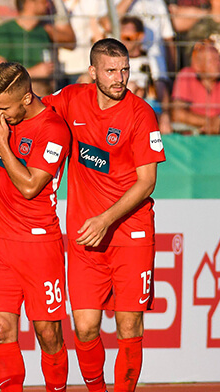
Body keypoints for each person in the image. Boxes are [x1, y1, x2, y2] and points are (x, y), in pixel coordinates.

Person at [42, 38, 166, 392]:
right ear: (92, 71)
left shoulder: (141, 113)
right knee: (84, 328)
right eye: (111, 71)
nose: (120, 78)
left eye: (124, 70)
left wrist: (105, 219)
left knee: (129, 328)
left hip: (131, 234)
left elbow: (147, 183)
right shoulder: (71, 99)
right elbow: (30, 110)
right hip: (86, 237)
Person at [0, 62, 71, 392]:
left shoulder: (53, 128)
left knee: (49, 333)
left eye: (5, 108)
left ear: (27, 98)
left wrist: (2, 144)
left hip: (38, 245)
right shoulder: (0, 119)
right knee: (1, 330)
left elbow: (31, 186)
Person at [0, 0, 59, 96]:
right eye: (43, 0)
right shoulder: (5, 30)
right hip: (18, 97)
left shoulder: (43, 31)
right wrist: (33, 73)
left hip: (45, 96)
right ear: (29, 2)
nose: (48, 5)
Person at [170, 41, 220, 134]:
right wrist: (210, 123)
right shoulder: (185, 75)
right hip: (194, 138)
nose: (217, 64)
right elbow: (177, 113)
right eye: (211, 61)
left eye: (218, 59)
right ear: (197, 66)